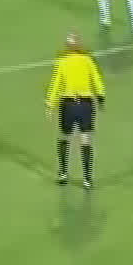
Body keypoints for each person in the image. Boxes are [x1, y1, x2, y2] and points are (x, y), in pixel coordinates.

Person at [47, 31, 106, 187]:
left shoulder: (62, 61)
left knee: (64, 137)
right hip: (86, 104)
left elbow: (55, 84)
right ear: (79, 45)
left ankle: (63, 173)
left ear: (67, 46)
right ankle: (87, 179)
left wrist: (50, 104)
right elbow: (97, 79)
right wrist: (100, 98)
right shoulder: (88, 60)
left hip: (68, 104)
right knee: (85, 139)